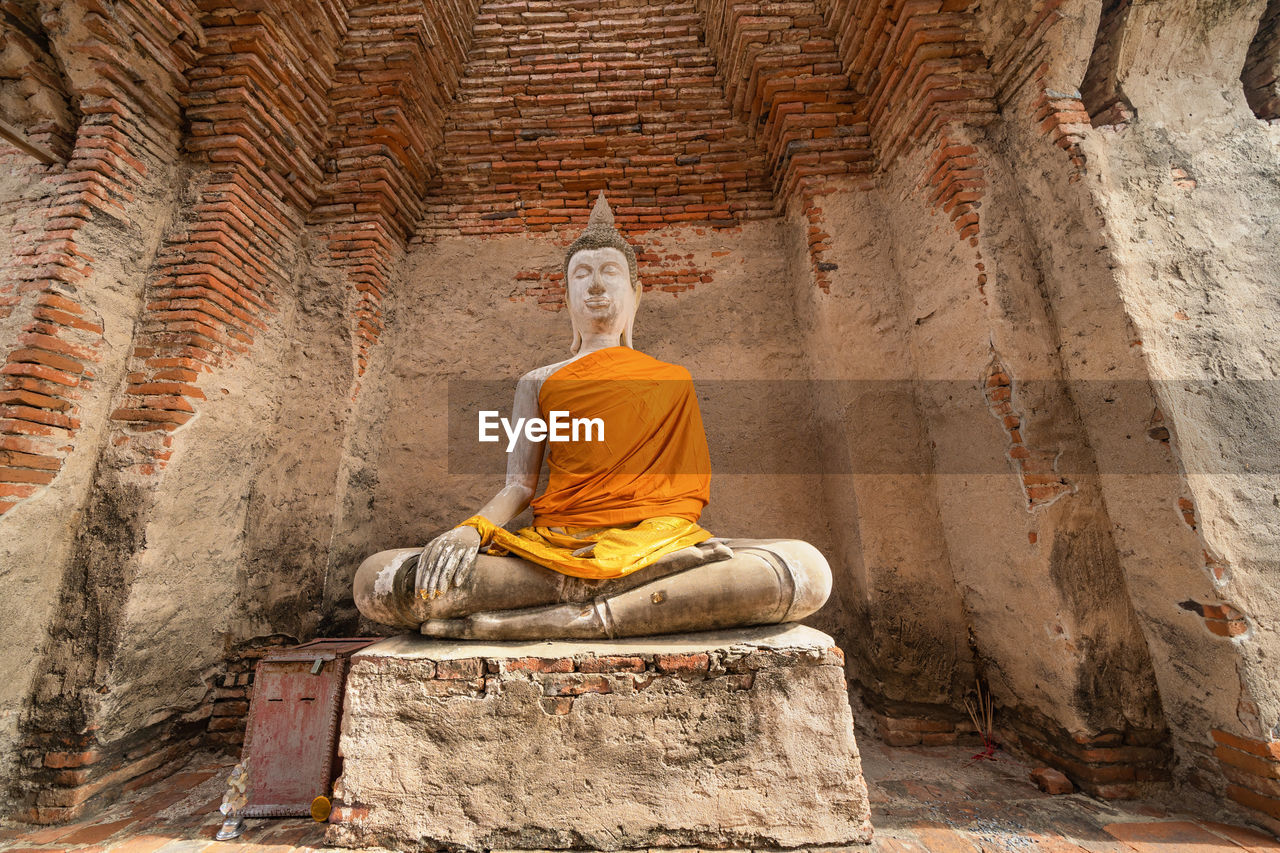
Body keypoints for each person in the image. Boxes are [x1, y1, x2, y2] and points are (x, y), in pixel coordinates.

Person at [353, 193, 831, 639]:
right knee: (379, 578)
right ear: (566, 298)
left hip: (658, 544)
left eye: (610, 272)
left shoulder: (672, 379)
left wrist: (647, 546)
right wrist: (469, 529)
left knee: (806, 569)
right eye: (582, 274)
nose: (597, 285)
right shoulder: (537, 381)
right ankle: (614, 598)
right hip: (557, 548)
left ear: (635, 295)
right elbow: (520, 485)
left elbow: (681, 498)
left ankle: (577, 616)